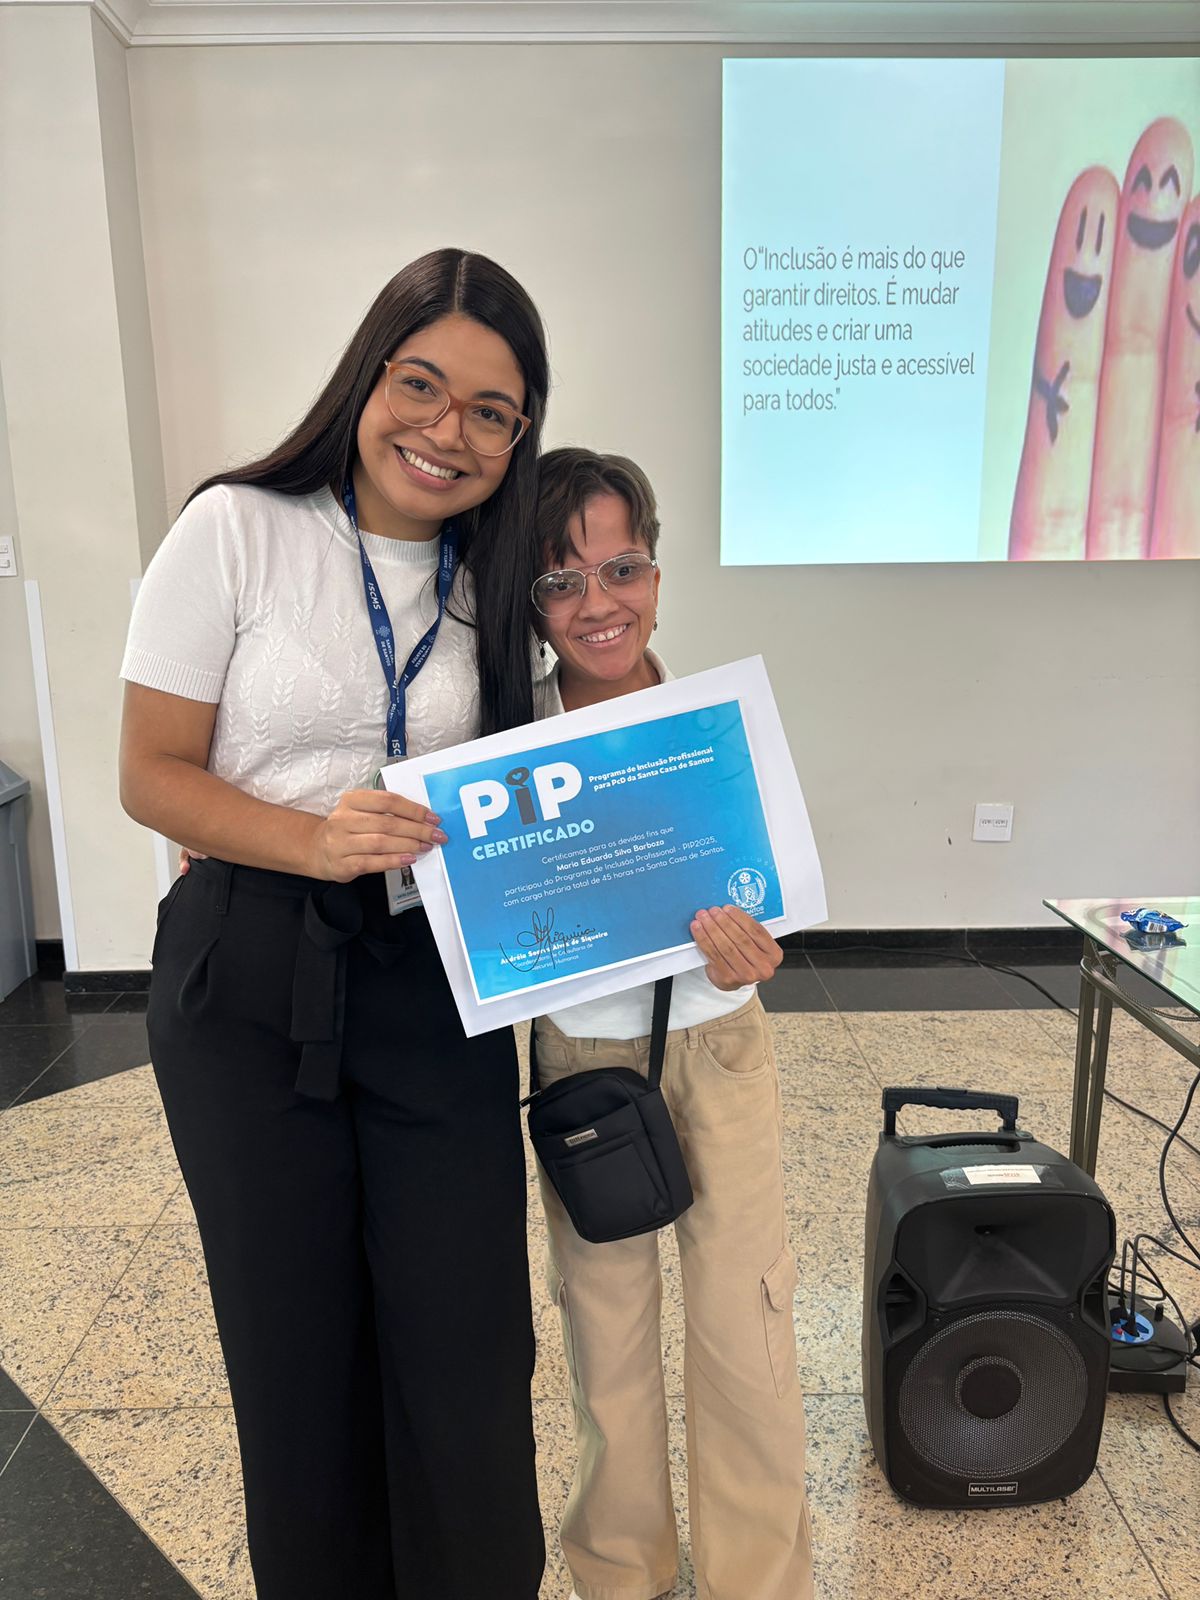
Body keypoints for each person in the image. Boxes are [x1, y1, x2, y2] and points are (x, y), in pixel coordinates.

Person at [118, 248, 549, 1600]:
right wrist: (310, 840)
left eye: (490, 411)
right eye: (421, 385)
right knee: (294, 1350)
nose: (447, 431)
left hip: (433, 975)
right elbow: (151, 774)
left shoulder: (496, 574)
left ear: (520, 434)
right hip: (249, 975)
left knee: (467, 1346)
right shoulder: (236, 528)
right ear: (368, 377)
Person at [529, 447, 814, 1600]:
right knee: (605, 1336)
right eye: (561, 580)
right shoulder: (508, 752)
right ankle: (619, 1574)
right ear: (530, 601)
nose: (598, 603)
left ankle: (759, 1580)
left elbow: (769, 891)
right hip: (578, 1057)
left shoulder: (718, 732)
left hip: (720, 1043)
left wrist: (757, 953)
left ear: (657, 572)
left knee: (749, 1326)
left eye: (623, 567)